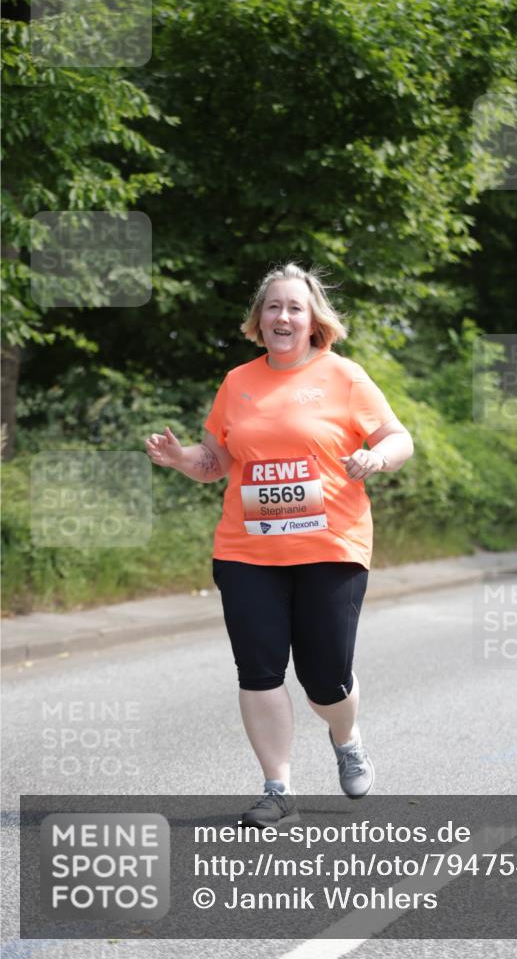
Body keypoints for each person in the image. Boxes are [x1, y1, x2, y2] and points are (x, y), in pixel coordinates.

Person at [145, 262, 413, 827]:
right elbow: (216, 461)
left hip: (332, 545)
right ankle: (278, 789)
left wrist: (374, 457)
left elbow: (397, 436)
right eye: (273, 307)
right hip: (247, 550)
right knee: (258, 669)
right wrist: (180, 459)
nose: (283, 316)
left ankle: (346, 735)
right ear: (259, 320)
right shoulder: (238, 383)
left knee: (325, 676)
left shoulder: (344, 376)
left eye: (295, 307)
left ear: (314, 319)